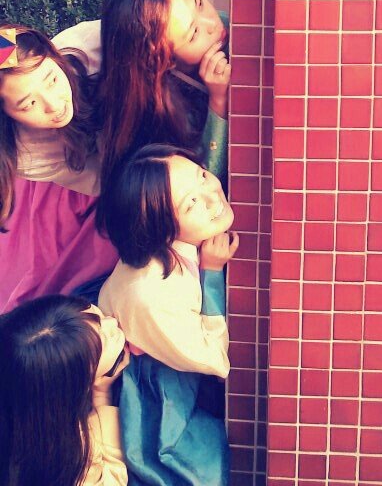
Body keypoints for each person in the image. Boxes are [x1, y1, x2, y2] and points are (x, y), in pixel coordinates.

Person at [97, 144, 239, 486]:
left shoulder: (169, 249)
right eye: (191, 203)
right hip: (156, 403)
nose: (212, 195)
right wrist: (212, 273)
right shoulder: (152, 294)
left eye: (202, 175)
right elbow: (215, 359)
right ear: (161, 228)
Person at [53, 0, 230, 190]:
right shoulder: (158, 111)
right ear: (164, 60)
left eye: (199, 3)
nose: (212, 22)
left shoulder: (225, 25)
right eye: (194, 33)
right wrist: (218, 103)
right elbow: (202, 188)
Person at [0, 25, 117, 312]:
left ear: (54, 55)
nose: (54, 105)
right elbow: (103, 181)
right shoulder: (30, 155)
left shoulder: (87, 45)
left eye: (52, 80)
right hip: (90, 177)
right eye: (28, 104)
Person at [0, 293, 129, 486]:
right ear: (77, 382)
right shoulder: (66, 455)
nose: (112, 322)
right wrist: (102, 396)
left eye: (98, 316)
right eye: (106, 338)